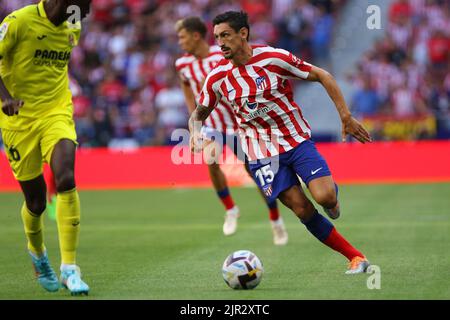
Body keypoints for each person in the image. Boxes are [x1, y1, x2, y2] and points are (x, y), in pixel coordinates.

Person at [189, 11, 372, 273]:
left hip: (295, 140)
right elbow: (198, 114)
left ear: (243, 33)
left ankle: (332, 200)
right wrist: (195, 132)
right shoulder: (218, 78)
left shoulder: (274, 58)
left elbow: (323, 75)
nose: (220, 42)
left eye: (226, 35)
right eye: (217, 37)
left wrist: (345, 116)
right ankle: (355, 257)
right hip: (260, 154)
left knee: (326, 197)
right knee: (301, 209)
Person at [0, 0, 92, 294]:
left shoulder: (73, 24)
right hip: (18, 121)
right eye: (85, 3)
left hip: (56, 112)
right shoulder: (18, 22)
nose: (88, 10)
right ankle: (38, 254)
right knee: (36, 202)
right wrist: (5, 98)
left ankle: (70, 268)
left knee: (65, 177)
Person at [175, 17, 288, 245]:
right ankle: (230, 209)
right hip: (212, 125)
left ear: (196, 36)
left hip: (240, 125)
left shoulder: (222, 55)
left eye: (182, 37)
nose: (180, 42)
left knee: (256, 174)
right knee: (211, 159)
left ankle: (275, 219)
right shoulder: (183, 65)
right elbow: (187, 88)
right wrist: (194, 125)